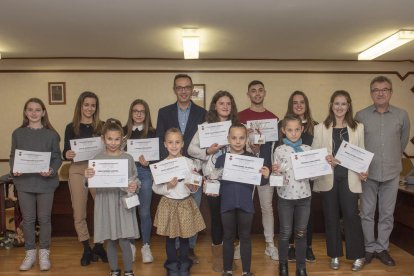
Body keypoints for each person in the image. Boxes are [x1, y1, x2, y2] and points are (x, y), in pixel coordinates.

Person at [356, 76, 411, 266]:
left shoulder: (402, 115)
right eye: (376, 90)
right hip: (367, 174)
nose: (380, 93)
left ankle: (382, 248)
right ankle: (369, 248)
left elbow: (402, 141)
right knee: (366, 213)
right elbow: (357, 144)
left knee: (387, 214)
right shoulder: (361, 116)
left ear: (391, 92)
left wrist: (390, 158)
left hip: (391, 173)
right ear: (371, 93)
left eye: (384, 89)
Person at [312, 90, 366, 271]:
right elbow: (314, 153)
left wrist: (364, 170)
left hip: (350, 178)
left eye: (343, 104)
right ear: (331, 105)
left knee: (352, 216)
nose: (340, 107)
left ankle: (358, 256)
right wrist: (325, 159)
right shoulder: (320, 128)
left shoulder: (358, 127)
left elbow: (362, 153)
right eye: (336, 103)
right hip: (329, 178)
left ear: (348, 106)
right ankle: (334, 254)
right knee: (331, 217)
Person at [156, 74, 206, 263]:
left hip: (193, 169)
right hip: (171, 171)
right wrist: (165, 169)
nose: (183, 90)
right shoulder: (164, 112)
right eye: (179, 87)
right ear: (174, 90)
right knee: (174, 212)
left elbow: (204, 141)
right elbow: (161, 140)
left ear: (192, 89)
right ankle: (175, 250)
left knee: (192, 210)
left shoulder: (202, 112)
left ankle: (190, 249)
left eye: (187, 87)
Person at [188, 90, 239, 272]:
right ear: (215, 106)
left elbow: (247, 149)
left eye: (228, 103)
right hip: (213, 180)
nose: (225, 106)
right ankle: (218, 258)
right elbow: (191, 149)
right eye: (221, 103)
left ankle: (230, 257)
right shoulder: (206, 126)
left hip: (234, 180)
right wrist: (207, 152)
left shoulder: (237, 126)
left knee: (233, 218)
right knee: (217, 218)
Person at [9, 98, 62, 271]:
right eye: (30, 109)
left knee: (45, 219)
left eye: (37, 110)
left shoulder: (52, 135)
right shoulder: (17, 133)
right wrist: (14, 169)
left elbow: (57, 158)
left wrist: (51, 170)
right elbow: (13, 156)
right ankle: (30, 252)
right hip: (24, 183)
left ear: (43, 112)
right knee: (29, 220)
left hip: (45, 183)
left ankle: (44, 253)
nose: (33, 113)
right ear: (25, 112)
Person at [84, 118, 140, 276]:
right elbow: (89, 183)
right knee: (110, 239)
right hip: (105, 202)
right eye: (109, 139)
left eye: (117, 139)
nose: (113, 142)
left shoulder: (128, 158)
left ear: (122, 139)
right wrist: (87, 176)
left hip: (123, 203)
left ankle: (129, 271)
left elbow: (135, 178)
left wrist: (135, 184)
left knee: (124, 239)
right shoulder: (96, 160)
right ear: (103, 139)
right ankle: (114, 270)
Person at [215, 124, 271, 276]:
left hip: (246, 205)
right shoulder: (221, 159)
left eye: (241, 138)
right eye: (234, 138)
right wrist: (211, 187)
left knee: (245, 236)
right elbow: (216, 182)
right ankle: (227, 270)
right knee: (228, 237)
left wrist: (266, 175)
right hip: (226, 205)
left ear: (246, 139)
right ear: (228, 139)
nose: (237, 141)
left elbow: (262, 182)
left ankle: (246, 271)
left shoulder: (253, 159)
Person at [152, 128, 206, 275]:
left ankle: (183, 263)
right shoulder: (161, 166)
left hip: (185, 204)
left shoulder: (189, 163)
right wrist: (168, 186)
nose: (174, 145)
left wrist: (193, 187)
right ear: (165, 144)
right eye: (170, 142)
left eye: (177, 142)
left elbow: (193, 188)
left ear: (182, 144)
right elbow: (155, 188)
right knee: (170, 239)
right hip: (168, 204)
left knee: (184, 237)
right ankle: (172, 264)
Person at [63, 91, 107, 266]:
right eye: (86, 105)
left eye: (93, 105)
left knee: (102, 209)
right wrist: (67, 153)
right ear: (80, 106)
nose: (89, 108)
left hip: (97, 170)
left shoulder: (102, 126)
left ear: (96, 108)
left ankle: (98, 245)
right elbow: (65, 152)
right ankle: (86, 248)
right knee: (79, 211)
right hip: (77, 170)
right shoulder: (71, 127)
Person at [238, 80, 279, 261]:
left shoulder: (273, 118)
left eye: (260, 90)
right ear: (248, 95)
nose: (257, 94)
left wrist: (274, 168)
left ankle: (270, 244)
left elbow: (274, 148)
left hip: (265, 170)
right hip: (245, 170)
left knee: (267, 207)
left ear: (264, 93)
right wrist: (251, 147)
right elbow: (236, 144)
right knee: (244, 209)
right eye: (253, 91)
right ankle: (241, 244)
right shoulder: (240, 117)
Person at [272, 115, 311, 276]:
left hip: (304, 198)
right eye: (289, 130)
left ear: (302, 129)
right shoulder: (279, 150)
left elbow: (314, 176)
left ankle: (301, 267)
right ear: (283, 131)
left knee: (301, 233)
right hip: (285, 198)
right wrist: (275, 172)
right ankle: (283, 266)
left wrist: (324, 164)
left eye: (297, 129)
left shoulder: (308, 150)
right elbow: (276, 177)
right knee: (285, 233)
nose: (294, 133)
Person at [282, 91, 317, 262]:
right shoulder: (284, 127)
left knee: (305, 220)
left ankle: (307, 247)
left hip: (306, 183)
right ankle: (290, 247)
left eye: (302, 102)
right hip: (288, 185)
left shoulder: (314, 126)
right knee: (288, 222)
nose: (298, 105)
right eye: (295, 102)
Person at [124, 99, 156, 263]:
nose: (138, 114)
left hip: (144, 173)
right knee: (129, 211)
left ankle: (145, 246)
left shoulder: (153, 132)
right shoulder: (123, 132)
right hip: (127, 176)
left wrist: (148, 163)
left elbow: (157, 160)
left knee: (144, 212)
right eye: (135, 111)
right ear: (131, 113)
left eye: (142, 111)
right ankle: (130, 244)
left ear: (146, 114)